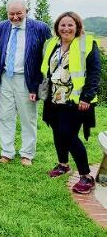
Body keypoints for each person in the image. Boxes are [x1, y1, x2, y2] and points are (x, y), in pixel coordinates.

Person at [41, 12, 101, 194]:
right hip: (54, 98)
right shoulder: (52, 43)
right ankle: (63, 164)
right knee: (58, 133)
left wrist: (86, 97)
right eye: (62, 25)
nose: (66, 28)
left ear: (77, 27)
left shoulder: (87, 43)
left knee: (69, 135)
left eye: (70, 25)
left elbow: (94, 72)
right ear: (57, 27)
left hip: (75, 100)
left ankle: (86, 176)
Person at [0, 0, 51, 166]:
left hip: (27, 81)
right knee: (4, 116)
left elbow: (46, 57)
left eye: (19, 13)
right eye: (11, 14)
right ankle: (7, 152)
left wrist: (37, 85)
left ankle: (27, 154)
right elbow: (2, 49)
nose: (15, 17)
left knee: (28, 118)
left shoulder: (40, 28)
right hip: (6, 77)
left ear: (26, 11)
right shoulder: (2, 26)